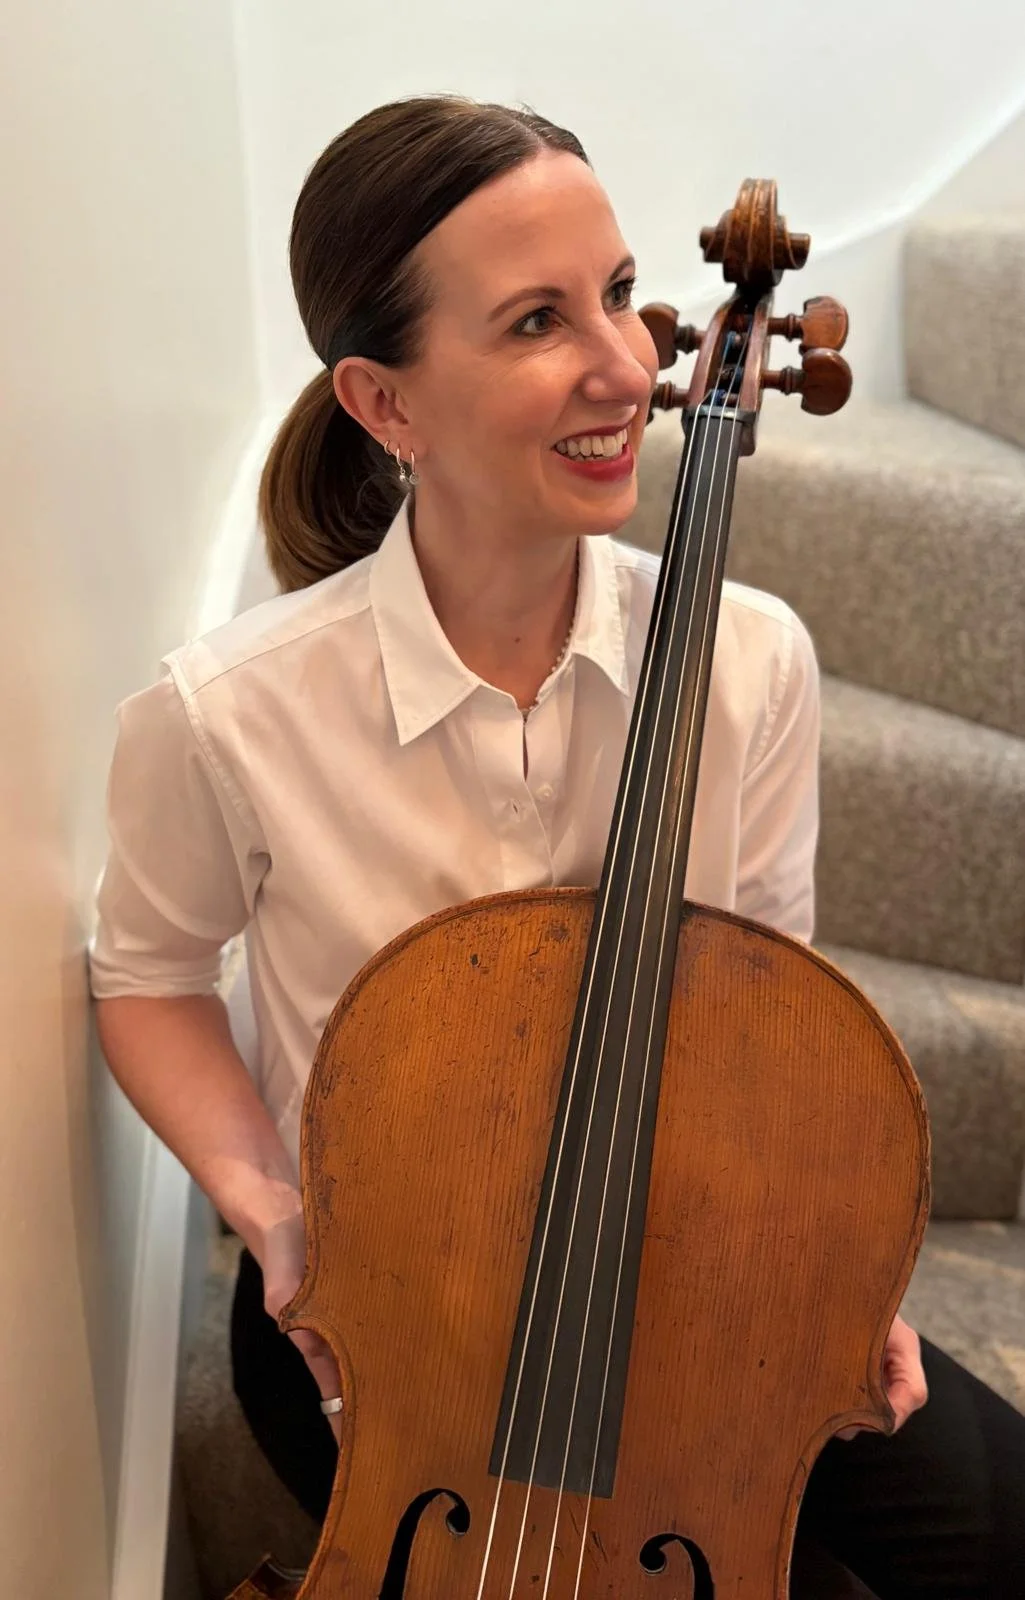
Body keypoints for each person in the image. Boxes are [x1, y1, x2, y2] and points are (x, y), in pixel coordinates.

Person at [90, 95, 1025, 1597]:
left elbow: (766, 998)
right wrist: (272, 1211)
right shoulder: (228, 717)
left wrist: (814, 1264)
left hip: (684, 1245)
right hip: (402, 1299)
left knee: (992, 1529)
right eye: (537, 322)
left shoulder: (752, 659)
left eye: (614, 292)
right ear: (385, 406)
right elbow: (142, 975)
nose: (627, 363)